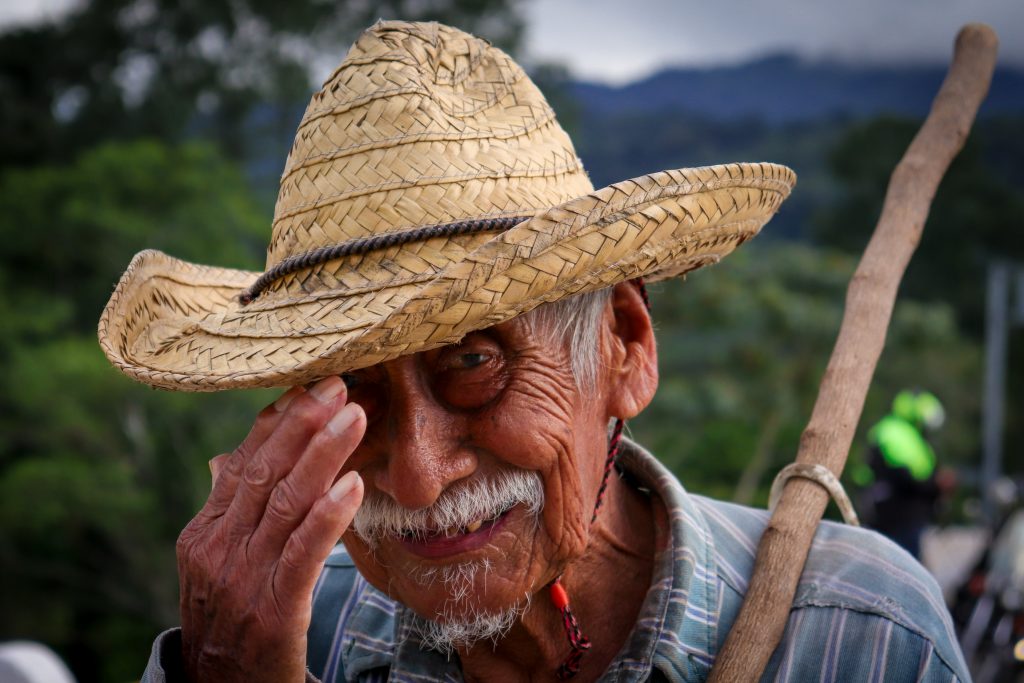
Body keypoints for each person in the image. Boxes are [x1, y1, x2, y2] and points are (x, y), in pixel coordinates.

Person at [98, 21, 969, 682]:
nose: (418, 479)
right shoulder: (278, 638)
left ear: (626, 345)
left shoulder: (863, 636)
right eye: (356, 396)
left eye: (475, 363)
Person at [855, 390, 952, 559]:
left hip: (903, 518)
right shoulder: (895, 433)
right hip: (896, 519)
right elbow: (903, 477)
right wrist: (936, 485)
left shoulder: (907, 435)